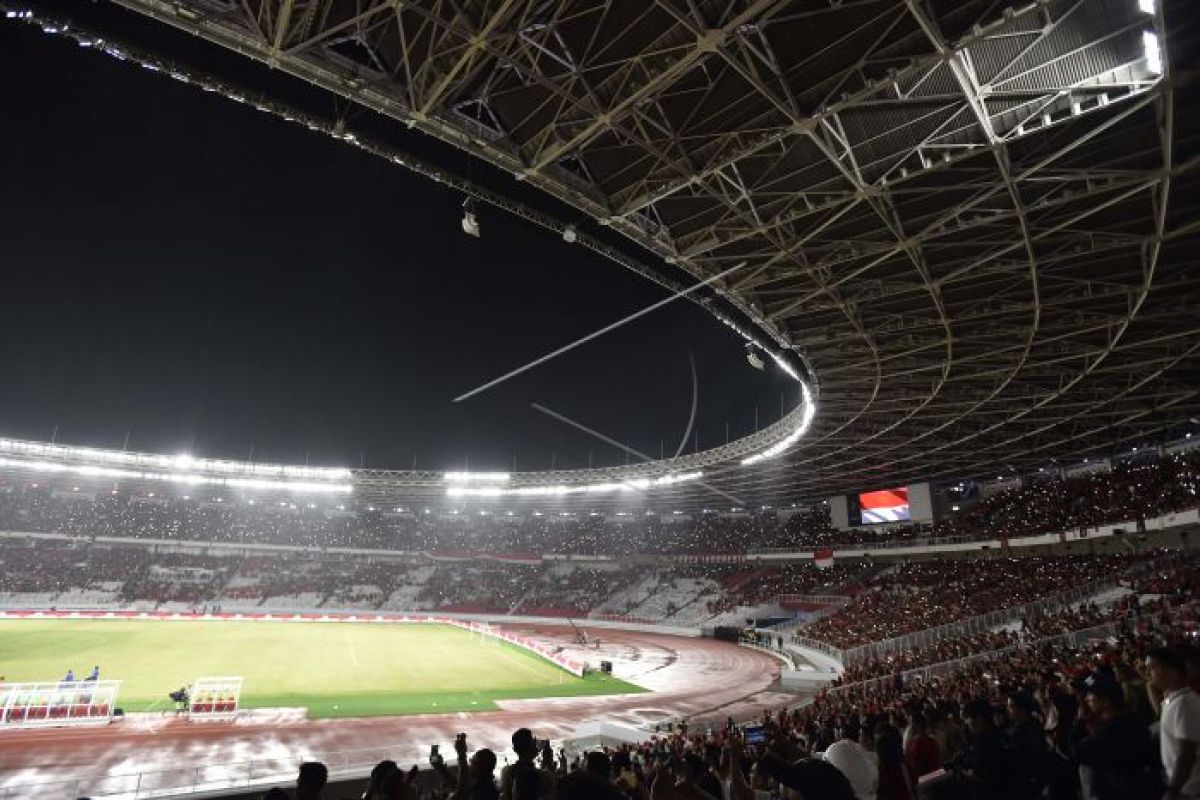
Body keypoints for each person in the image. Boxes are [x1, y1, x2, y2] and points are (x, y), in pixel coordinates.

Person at [1074, 669, 1161, 800]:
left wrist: (1079, 722)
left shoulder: (1110, 733)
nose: (1086, 700)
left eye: (1090, 697)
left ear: (1105, 701)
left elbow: (1078, 752)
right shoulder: (1133, 720)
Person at [1147, 647, 1200, 800]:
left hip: (1191, 789)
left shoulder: (1183, 703)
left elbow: (1186, 754)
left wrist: (1173, 790)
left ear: (1173, 671)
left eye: (1152, 668)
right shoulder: (1173, 701)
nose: (1148, 673)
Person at [958, 698, 1011, 800]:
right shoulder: (1001, 733)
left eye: (968, 719)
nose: (967, 724)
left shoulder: (982, 742)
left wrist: (963, 772)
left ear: (979, 719)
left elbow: (981, 775)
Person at [1005, 691, 1048, 799]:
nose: (1007, 709)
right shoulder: (1033, 727)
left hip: (1024, 784)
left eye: (1011, 706)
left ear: (1023, 710)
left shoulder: (1020, 732)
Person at [823, 720, 878, 800]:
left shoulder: (870, 756)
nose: (859, 738)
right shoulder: (859, 752)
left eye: (861, 735)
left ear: (869, 739)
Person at [501, 729, 555, 800]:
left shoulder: (506, 772)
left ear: (514, 749)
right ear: (534, 748)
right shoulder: (545, 776)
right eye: (534, 742)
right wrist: (548, 761)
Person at [903, 712, 940, 780]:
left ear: (916, 725)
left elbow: (912, 766)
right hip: (935, 779)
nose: (910, 726)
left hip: (922, 781)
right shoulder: (933, 742)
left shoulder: (914, 743)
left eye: (911, 723)